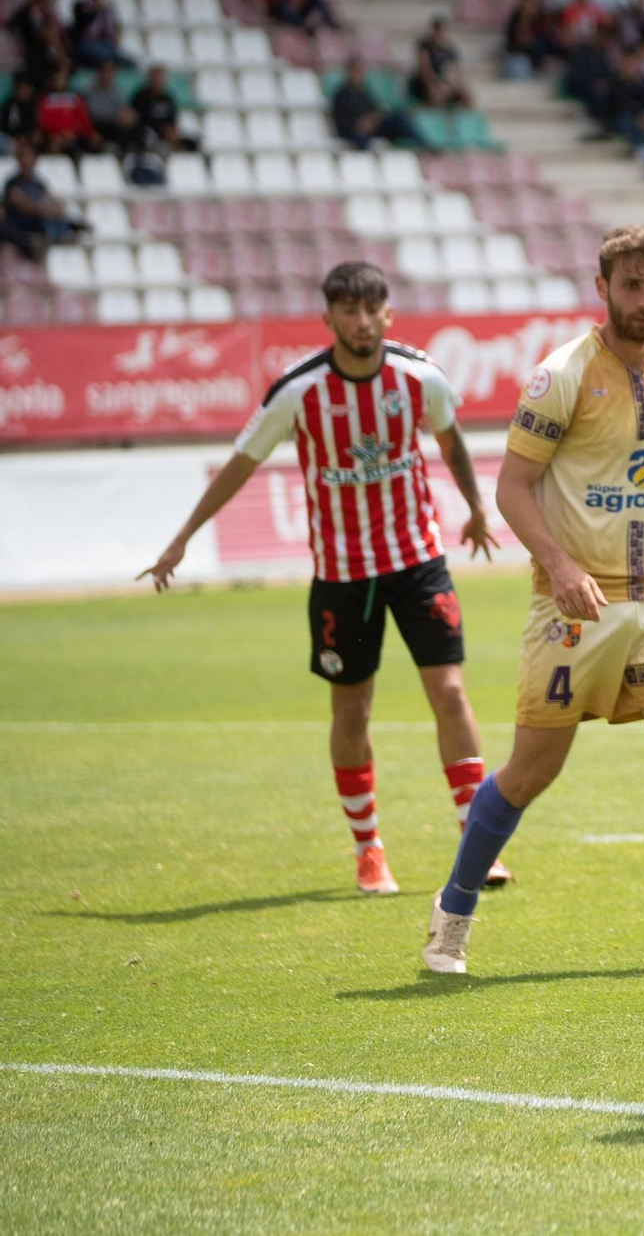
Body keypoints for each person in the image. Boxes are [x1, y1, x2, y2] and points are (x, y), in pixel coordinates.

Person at [421, 226, 644, 976]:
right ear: (604, 286)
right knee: (531, 769)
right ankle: (451, 914)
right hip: (574, 605)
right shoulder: (561, 376)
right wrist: (556, 562)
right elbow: (511, 487)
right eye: (634, 285)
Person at [138, 263, 508, 896]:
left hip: (418, 562)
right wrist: (182, 538)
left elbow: (449, 441)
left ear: (388, 315)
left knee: (449, 692)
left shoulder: (420, 377)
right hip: (341, 577)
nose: (361, 322)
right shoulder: (298, 392)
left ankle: (476, 841)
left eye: (372, 310)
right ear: (329, 318)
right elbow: (239, 463)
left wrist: (474, 508)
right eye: (348, 311)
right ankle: (369, 851)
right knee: (352, 709)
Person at [0, 139, 76, 256]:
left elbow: (53, 199)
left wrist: (56, 207)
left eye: (29, 157)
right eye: (24, 157)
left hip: (40, 218)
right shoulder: (13, 183)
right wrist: (43, 210)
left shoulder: (38, 182)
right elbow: (21, 204)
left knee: (58, 219)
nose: (27, 161)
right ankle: (53, 236)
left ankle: (62, 234)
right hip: (22, 222)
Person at [331, 58, 420, 149]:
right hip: (353, 133)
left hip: (372, 129)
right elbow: (341, 122)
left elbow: (375, 110)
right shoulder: (341, 95)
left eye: (360, 72)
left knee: (398, 118)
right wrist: (360, 125)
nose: (358, 75)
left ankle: (419, 145)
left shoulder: (364, 92)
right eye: (355, 71)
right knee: (363, 141)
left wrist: (373, 120)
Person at [408, 17, 474, 111]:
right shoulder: (425, 47)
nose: (441, 35)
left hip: (445, 84)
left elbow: (457, 73)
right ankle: (436, 121)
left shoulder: (450, 50)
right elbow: (425, 71)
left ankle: (460, 122)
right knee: (436, 95)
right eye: (438, 32)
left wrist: (451, 86)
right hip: (426, 84)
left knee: (467, 96)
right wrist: (437, 84)